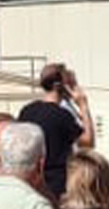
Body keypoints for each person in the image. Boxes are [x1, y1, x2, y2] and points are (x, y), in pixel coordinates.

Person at [16, 63, 92, 200]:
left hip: (28, 181)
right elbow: (88, 142)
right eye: (72, 84)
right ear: (62, 86)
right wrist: (83, 105)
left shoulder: (27, 110)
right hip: (55, 185)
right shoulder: (62, 115)